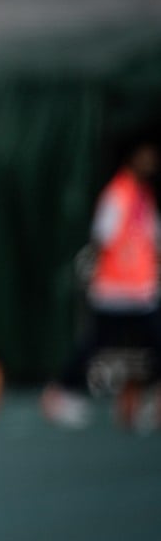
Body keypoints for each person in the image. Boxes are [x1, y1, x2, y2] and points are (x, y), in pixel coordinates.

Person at [43, 139, 161, 428]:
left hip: (141, 290)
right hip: (114, 290)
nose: (151, 162)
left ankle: (147, 400)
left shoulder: (143, 196)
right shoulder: (117, 194)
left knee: (154, 341)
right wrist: (94, 266)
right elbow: (102, 236)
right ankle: (60, 392)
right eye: (145, 156)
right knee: (96, 343)